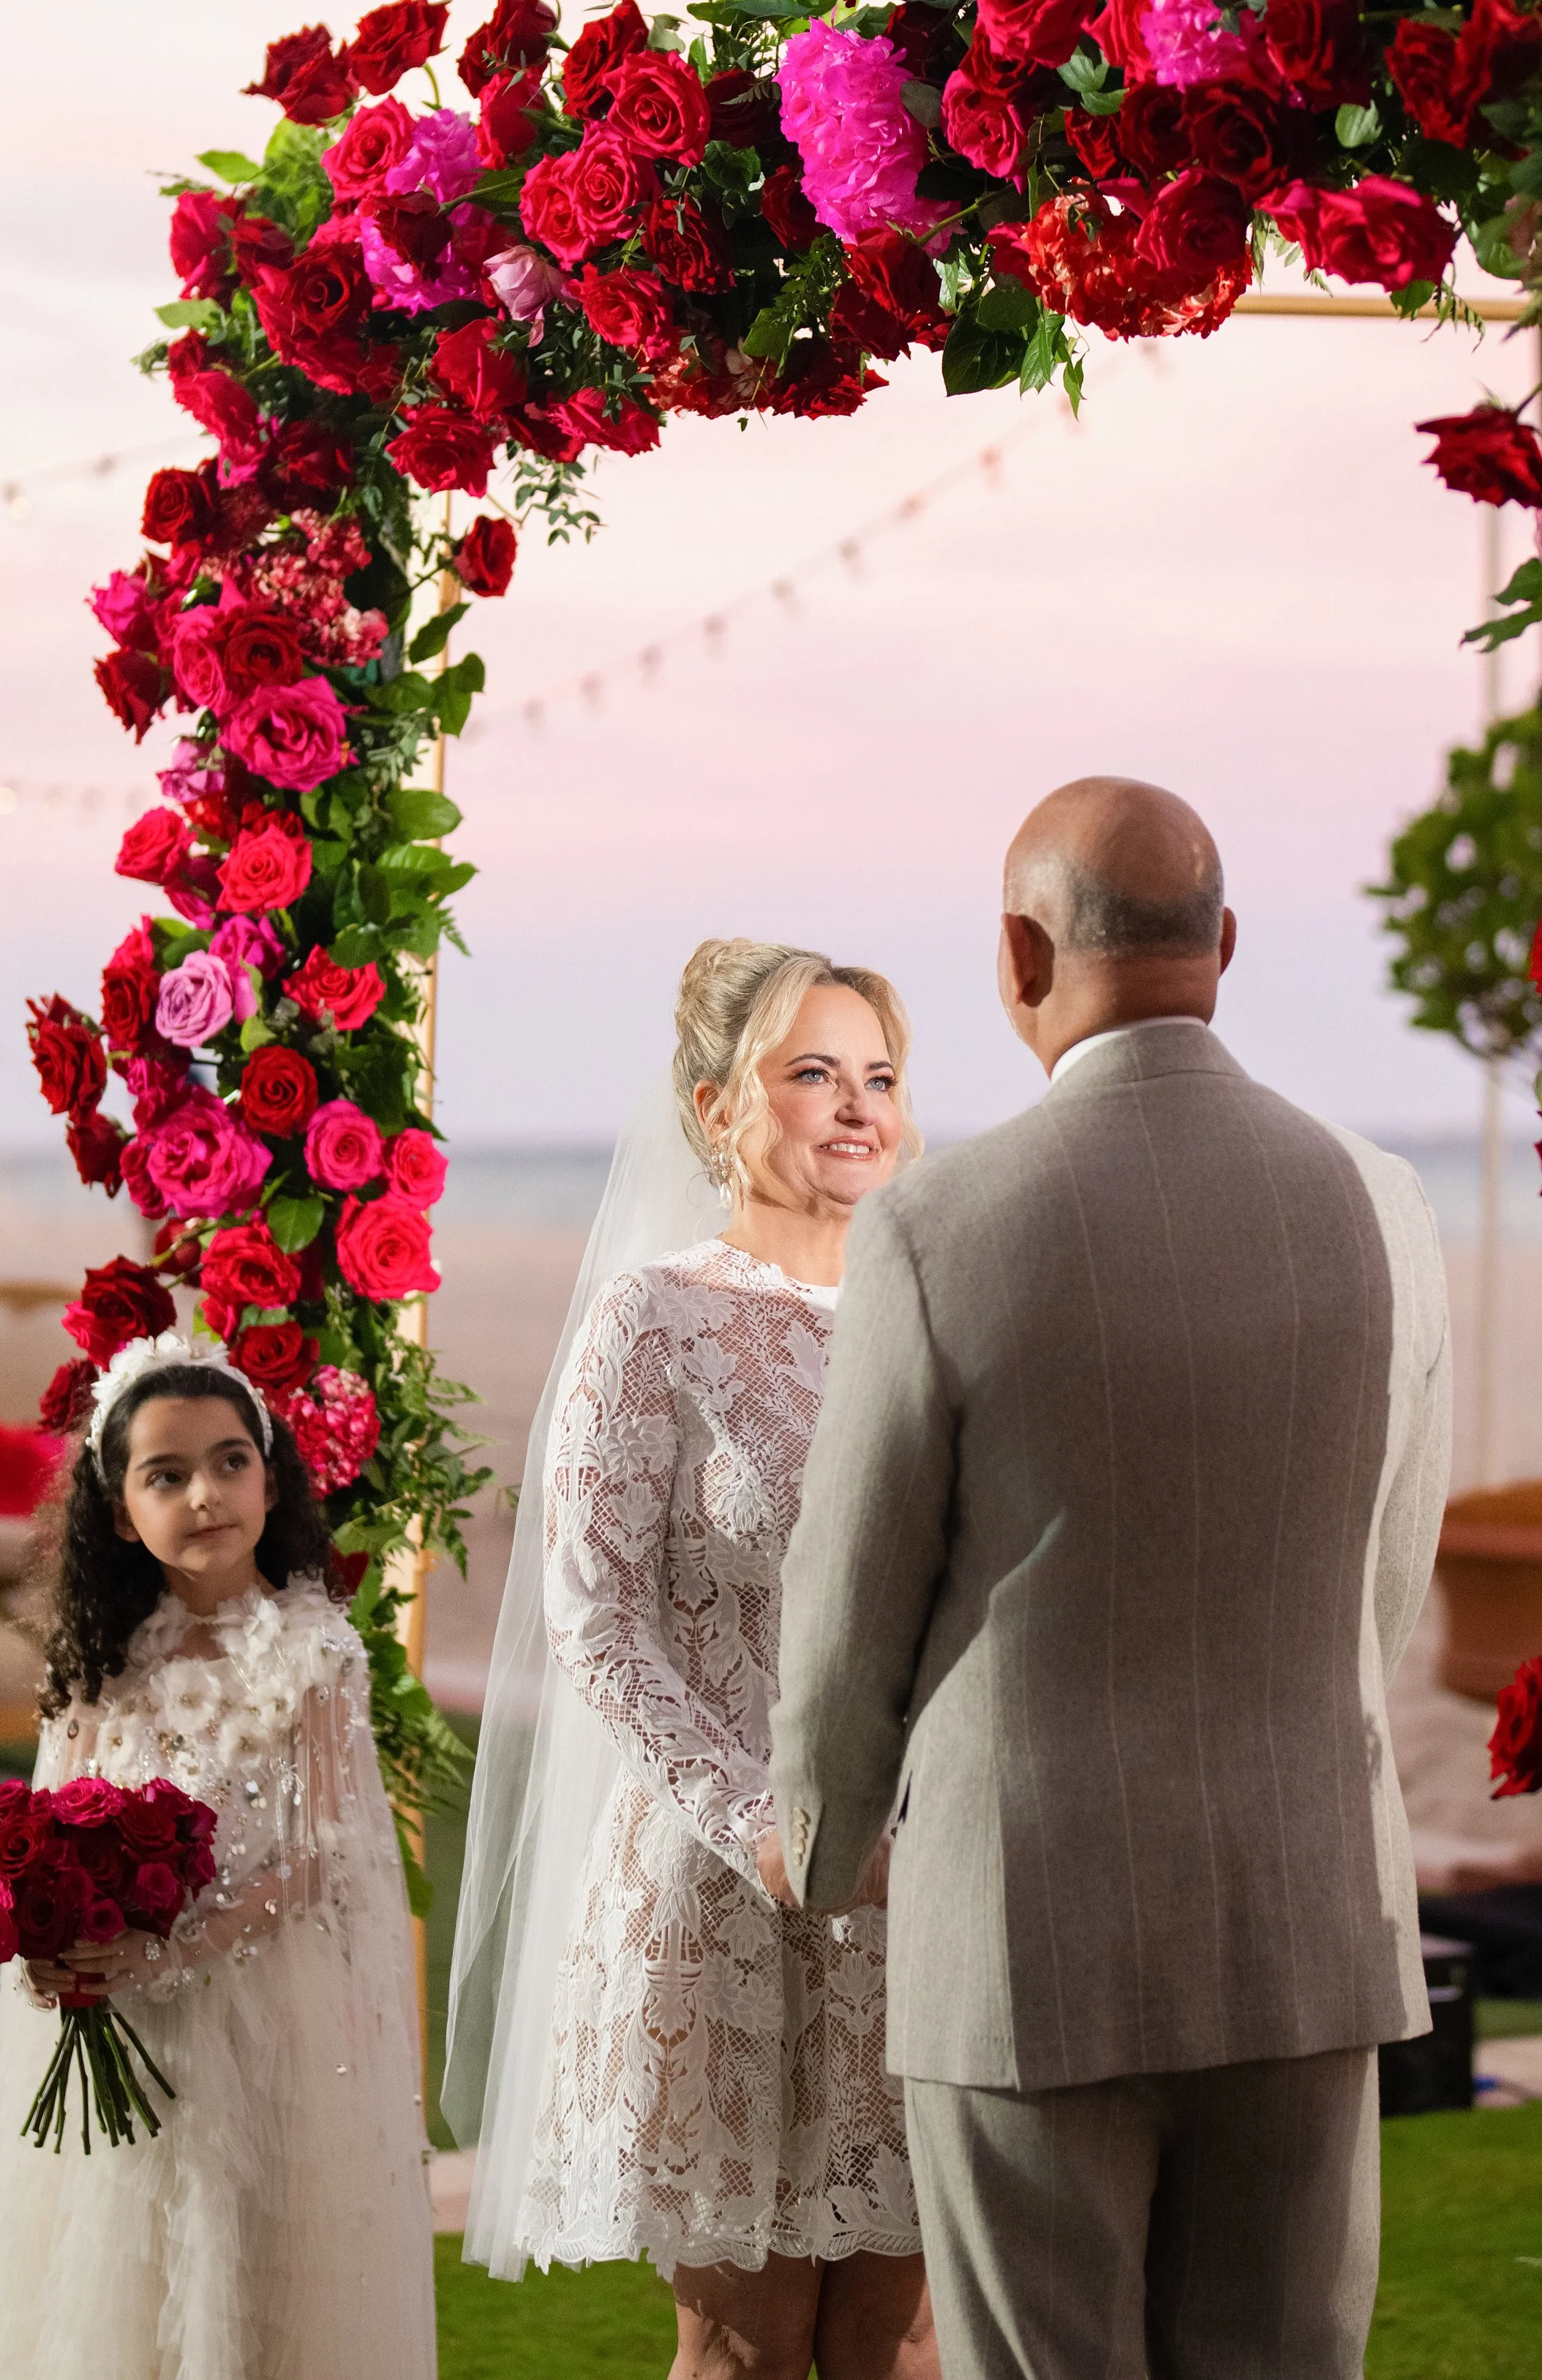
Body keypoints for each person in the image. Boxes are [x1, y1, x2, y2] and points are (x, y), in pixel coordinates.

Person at [771, 779, 1453, 2380]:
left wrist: (819, 1850)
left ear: (1017, 953)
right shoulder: (1387, 1203)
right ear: (1222, 946)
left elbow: (848, 1598)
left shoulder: (938, 1225)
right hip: (1304, 1904)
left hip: (1026, 1925)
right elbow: (1385, 1569)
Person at [447, 942, 940, 2380]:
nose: (854, 1109)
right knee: (742, 2346)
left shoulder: (926, 1319)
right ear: (722, 1105)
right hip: (723, 1902)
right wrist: (758, 1829)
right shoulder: (652, 1317)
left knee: (893, 2337)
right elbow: (594, 1617)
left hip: (911, 1900)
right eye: (811, 1076)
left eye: (878, 1078)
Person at [0, 1332, 437, 2380]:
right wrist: (52, 1935)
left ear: (269, 1472)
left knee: (252, 2267)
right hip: (125, 2013)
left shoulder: (315, 1649)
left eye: (230, 1460)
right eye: (167, 1474)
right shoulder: (100, 1661)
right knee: (120, 2269)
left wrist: (171, 1951)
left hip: (264, 2011)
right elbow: (49, 1824)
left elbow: (319, 1850)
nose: (206, 1493)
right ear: (119, 1511)